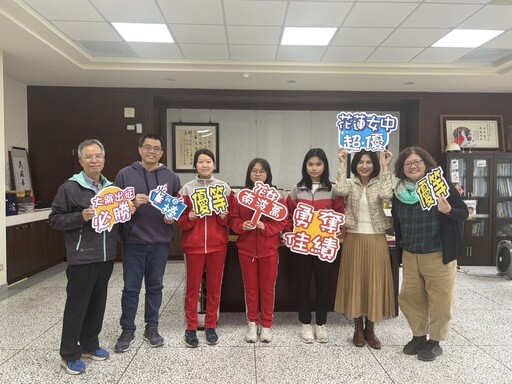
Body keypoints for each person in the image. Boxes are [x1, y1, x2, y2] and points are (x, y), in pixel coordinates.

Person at [50, 139, 132, 374]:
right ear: (80, 161)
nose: (94, 160)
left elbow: (117, 218)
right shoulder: (69, 187)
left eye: (98, 156)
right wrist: (81, 217)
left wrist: (127, 210)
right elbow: (55, 219)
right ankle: (68, 354)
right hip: (82, 256)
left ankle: (89, 345)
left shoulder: (111, 188)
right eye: (88, 156)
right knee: (77, 305)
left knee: (97, 303)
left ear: (104, 159)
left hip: (106, 255)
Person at [391, 146, 468, 362]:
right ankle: (418, 336)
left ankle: (435, 342)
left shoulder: (440, 187)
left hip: (438, 253)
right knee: (410, 298)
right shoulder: (399, 192)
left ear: (426, 165)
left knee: (441, 299)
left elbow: (464, 212)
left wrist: (449, 211)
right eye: (408, 163)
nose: (413, 166)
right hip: (410, 253)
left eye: (417, 162)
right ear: (402, 169)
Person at [114, 133, 181, 352]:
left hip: (160, 241)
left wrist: (172, 216)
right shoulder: (124, 175)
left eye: (157, 148)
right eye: (148, 147)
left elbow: (177, 205)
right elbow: (116, 209)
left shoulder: (170, 176)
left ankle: (152, 327)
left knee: (155, 287)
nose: (152, 151)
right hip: (133, 241)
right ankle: (127, 329)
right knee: (131, 288)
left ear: (162, 153)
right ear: (140, 149)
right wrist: (131, 204)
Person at [333, 148, 396, 350]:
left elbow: (387, 194)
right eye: (361, 162)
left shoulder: (381, 183)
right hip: (354, 237)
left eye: (368, 162)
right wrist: (342, 164)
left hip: (377, 238)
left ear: (374, 165)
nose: (365, 166)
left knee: (373, 283)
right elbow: (340, 190)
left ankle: (371, 329)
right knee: (356, 283)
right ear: (356, 165)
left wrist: (385, 166)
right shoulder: (351, 184)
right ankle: (357, 329)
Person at [285, 148, 345, 344]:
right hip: (302, 246)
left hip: (324, 246)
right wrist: (287, 233)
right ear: (305, 166)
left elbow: (340, 213)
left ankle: (321, 323)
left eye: (318, 164)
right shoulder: (297, 189)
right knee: (302, 284)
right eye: (310, 164)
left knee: (323, 285)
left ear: (324, 166)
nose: (314, 168)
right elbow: (288, 216)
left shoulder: (333, 189)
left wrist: (338, 229)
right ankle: (305, 323)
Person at [177, 148, 233, 348]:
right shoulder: (187, 189)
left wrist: (224, 215)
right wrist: (189, 218)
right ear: (195, 166)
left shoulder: (224, 188)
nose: (205, 165)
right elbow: (180, 220)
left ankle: (211, 325)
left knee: (214, 287)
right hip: (194, 245)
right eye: (200, 162)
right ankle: (191, 327)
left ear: (214, 164)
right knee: (192, 288)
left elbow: (231, 219)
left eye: (208, 161)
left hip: (218, 245)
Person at [229, 158, 287, 343]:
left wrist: (266, 228)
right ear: (249, 174)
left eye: (261, 171)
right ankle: (252, 323)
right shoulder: (241, 196)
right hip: (246, 250)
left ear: (268, 174)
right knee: (251, 289)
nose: (257, 174)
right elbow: (233, 218)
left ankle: (267, 325)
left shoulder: (277, 197)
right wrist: (241, 225)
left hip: (269, 250)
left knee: (268, 289)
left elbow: (282, 221)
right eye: (254, 171)